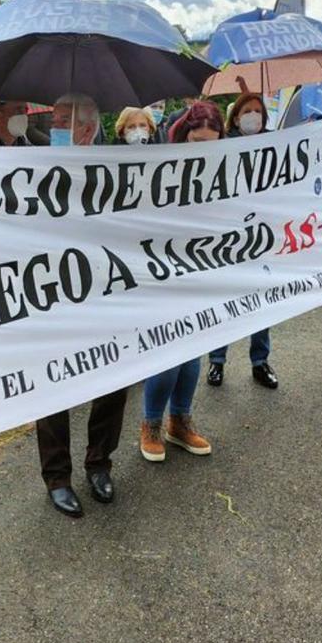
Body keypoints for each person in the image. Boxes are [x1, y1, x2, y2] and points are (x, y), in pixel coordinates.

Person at [33, 92, 129, 516]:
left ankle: (99, 462)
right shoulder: (31, 168)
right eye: (54, 117)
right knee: (52, 387)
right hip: (52, 294)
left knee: (112, 383)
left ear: (87, 128)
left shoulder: (116, 167)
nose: (54, 125)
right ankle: (57, 476)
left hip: (107, 291)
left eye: (64, 119)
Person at [138, 101, 219, 463]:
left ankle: (179, 422)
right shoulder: (158, 169)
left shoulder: (223, 173)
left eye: (212, 141)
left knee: (192, 353)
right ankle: (151, 424)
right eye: (197, 140)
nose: (205, 148)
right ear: (181, 136)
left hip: (202, 271)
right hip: (162, 273)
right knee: (166, 353)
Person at [206, 92, 277, 390]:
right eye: (247, 111)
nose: (253, 116)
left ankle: (260, 362)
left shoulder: (276, 144)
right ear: (235, 117)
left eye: (258, 111)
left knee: (261, 303)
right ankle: (217, 361)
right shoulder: (224, 146)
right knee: (223, 300)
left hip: (262, 236)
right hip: (228, 237)